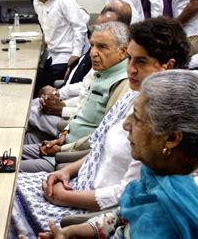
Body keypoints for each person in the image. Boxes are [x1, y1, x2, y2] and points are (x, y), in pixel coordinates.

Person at [9, 17, 190, 237]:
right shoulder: (134, 95)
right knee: (4, 185)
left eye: (140, 62)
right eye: (130, 59)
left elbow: (128, 194)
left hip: (87, 210)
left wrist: (63, 197)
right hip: (75, 185)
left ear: (167, 66)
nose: (130, 69)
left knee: (6, 204)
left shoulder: (162, 118)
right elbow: (99, 147)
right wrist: (66, 171)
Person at [39, 70, 198, 239]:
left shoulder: (176, 204)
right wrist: (80, 230)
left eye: (137, 119)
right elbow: (125, 214)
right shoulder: (176, 165)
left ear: (171, 138)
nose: (126, 125)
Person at [22, 21, 129, 173]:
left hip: (70, 158)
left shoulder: (121, 82)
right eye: (92, 45)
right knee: (5, 155)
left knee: (7, 168)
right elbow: (81, 110)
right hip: (64, 143)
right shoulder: (102, 72)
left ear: (123, 52)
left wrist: (62, 148)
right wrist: (63, 135)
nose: (93, 52)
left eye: (102, 47)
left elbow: (103, 136)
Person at [26, 0, 89, 95]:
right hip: (53, 53)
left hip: (69, 54)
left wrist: (76, 54)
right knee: (35, 80)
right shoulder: (36, 3)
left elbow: (80, 27)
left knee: (39, 87)